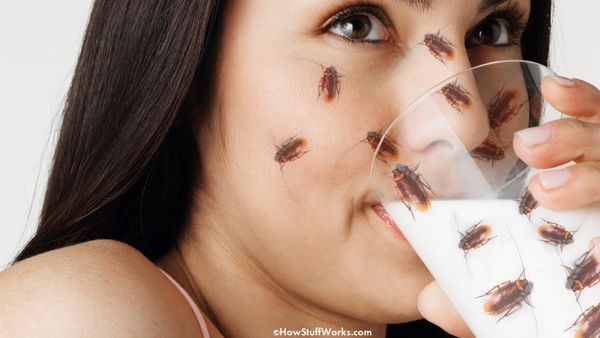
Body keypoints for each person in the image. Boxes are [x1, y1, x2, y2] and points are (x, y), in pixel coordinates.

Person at [1, 0, 599, 337]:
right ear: (183, 72)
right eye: (356, 25)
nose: (468, 126)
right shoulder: (82, 316)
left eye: (491, 31)